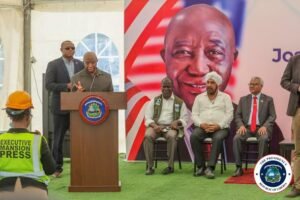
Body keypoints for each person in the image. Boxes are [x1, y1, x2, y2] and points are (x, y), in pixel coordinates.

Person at [160, 4, 238, 111]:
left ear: (233, 58)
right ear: (165, 57)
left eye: (214, 52)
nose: (198, 69)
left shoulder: (251, 125)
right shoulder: (144, 121)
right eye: (183, 51)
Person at [0, 91, 55, 200]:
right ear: (28, 115)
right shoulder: (38, 139)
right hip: (35, 193)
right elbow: (50, 169)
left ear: (9, 115)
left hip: (3, 191)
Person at [45, 40, 84, 177]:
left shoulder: (80, 64)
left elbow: (84, 81)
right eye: (67, 48)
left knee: (80, 138)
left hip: (77, 108)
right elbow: (49, 85)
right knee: (58, 139)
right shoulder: (53, 64)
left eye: (73, 48)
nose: (70, 50)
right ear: (61, 49)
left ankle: (80, 165)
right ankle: (57, 168)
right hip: (60, 107)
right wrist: (65, 86)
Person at [190, 71, 233, 179]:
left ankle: (210, 168)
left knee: (218, 138)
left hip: (221, 128)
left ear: (217, 85)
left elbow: (229, 114)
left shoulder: (225, 97)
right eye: (207, 82)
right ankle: (201, 166)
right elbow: (194, 115)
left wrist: (219, 125)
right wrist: (201, 124)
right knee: (194, 136)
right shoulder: (199, 98)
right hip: (203, 127)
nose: (209, 85)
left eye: (212, 83)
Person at [232, 77, 276, 177]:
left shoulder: (268, 99)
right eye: (250, 84)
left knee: (264, 138)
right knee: (237, 138)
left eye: (255, 84)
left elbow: (272, 116)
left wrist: (265, 126)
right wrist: (241, 126)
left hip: (261, 128)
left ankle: (260, 168)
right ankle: (239, 168)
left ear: (261, 86)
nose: (252, 86)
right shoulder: (243, 99)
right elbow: (237, 115)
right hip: (247, 128)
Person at [143, 77, 188, 175]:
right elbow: (147, 117)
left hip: (170, 128)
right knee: (147, 136)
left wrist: (177, 122)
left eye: (169, 87)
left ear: (173, 88)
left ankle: (170, 166)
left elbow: (185, 119)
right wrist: (154, 126)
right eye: (164, 87)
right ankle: (150, 167)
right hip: (156, 126)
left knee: (172, 136)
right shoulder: (154, 100)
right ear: (161, 88)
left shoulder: (179, 102)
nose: (166, 89)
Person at [281, 54, 300, 198]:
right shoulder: (295, 60)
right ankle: (298, 186)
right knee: (298, 150)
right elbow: (284, 81)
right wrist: (297, 87)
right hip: (298, 110)